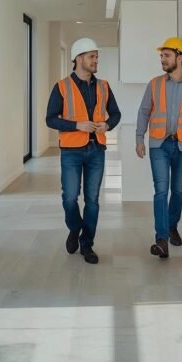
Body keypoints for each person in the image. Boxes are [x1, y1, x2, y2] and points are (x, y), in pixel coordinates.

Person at [45, 37, 121, 264]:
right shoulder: (61, 87)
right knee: (69, 198)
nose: (96, 60)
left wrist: (108, 124)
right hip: (71, 151)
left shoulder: (104, 86)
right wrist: (76, 125)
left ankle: (87, 245)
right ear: (79, 59)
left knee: (93, 200)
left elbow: (115, 113)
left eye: (96, 57)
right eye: (92, 57)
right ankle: (75, 228)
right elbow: (50, 119)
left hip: (96, 149)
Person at [135, 37, 182, 259]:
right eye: (161, 55)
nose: (162, 59)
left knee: (177, 190)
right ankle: (161, 239)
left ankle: (171, 226)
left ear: (180, 57)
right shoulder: (154, 83)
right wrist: (139, 138)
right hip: (159, 143)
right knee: (161, 189)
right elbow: (143, 111)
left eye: (166, 55)